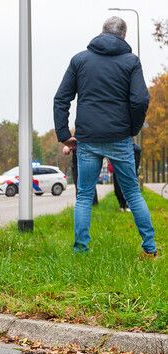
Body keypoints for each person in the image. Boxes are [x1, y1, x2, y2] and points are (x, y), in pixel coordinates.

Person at [54, 16, 156, 258]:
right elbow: (140, 100)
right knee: (132, 192)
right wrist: (132, 128)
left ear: (101, 32)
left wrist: (64, 135)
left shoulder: (80, 60)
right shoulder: (131, 62)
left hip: (88, 139)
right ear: (124, 36)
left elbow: (61, 98)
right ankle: (150, 249)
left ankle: (81, 250)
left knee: (84, 195)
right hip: (120, 137)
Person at [113, 142, 142, 212]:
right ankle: (124, 205)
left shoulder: (135, 150)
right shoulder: (136, 149)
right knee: (120, 188)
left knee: (123, 187)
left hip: (124, 168)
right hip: (126, 168)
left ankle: (126, 205)